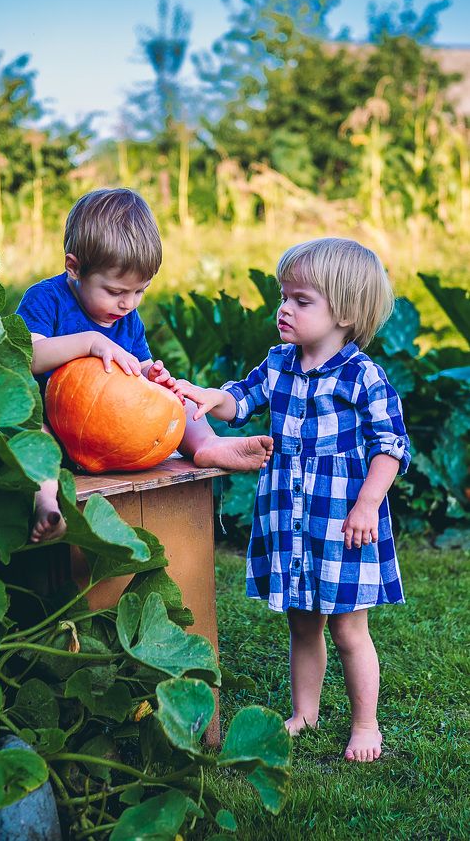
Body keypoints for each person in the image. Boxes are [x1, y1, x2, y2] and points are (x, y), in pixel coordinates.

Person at [172, 238, 409, 763]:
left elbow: (390, 446)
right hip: (292, 516)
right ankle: (305, 712)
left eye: (301, 300)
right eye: (284, 297)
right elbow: (243, 399)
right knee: (302, 621)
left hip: (343, 519)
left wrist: (368, 504)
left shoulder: (362, 376)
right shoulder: (280, 362)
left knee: (348, 627)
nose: (284, 308)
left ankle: (365, 724)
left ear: (344, 313)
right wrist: (212, 398)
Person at [16, 188, 273, 542]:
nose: (128, 303)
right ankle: (47, 504)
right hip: (53, 420)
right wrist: (89, 342)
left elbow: (141, 371)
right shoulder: (46, 299)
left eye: (140, 291)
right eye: (115, 291)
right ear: (74, 267)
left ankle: (207, 445)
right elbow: (28, 355)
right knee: (32, 435)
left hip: (111, 432)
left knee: (179, 399)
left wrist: (154, 377)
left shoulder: (127, 318)